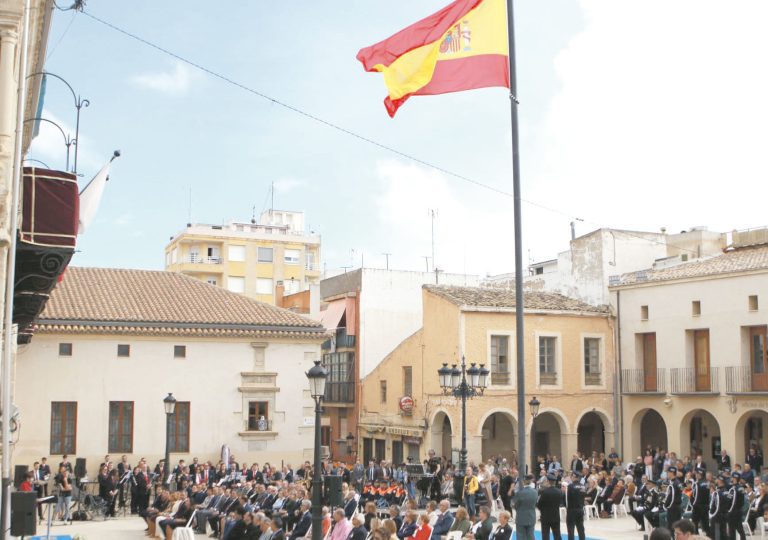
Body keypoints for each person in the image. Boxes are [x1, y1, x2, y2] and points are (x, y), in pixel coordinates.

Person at [537, 474, 562, 540]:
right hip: (556, 515)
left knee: (545, 535)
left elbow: (539, 504)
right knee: (557, 534)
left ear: (548, 481)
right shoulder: (559, 491)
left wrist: (542, 509)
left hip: (545, 516)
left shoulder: (544, 492)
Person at [513, 474, 537, 540]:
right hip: (531, 516)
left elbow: (515, 505)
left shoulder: (520, 492)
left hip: (521, 517)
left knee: (520, 536)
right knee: (531, 535)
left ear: (524, 481)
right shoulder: (535, 492)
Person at [565, 472, 586, 540]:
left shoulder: (570, 486)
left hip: (572, 510)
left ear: (574, 476)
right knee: (581, 529)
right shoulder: (583, 486)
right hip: (580, 509)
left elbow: (568, 498)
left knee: (571, 529)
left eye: (572, 476)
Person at [727, 471, 747, 540]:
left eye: (732, 477)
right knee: (740, 530)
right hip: (739, 511)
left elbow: (731, 502)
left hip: (733, 512)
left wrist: (729, 511)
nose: (731, 478)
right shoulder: (741, 488)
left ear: (734, 478)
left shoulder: (733, 489)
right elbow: (741, 502)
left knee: (732, 531)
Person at [690, 469, 710, 536]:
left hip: (697, 506)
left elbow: (695, 496)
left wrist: (693, 504)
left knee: (694, 524)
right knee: (706, 525)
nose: (696, 475)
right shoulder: (707, 483)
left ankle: (696, 537)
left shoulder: (697, 484)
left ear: (700, 474)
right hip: (706, 506)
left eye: (697, 473)